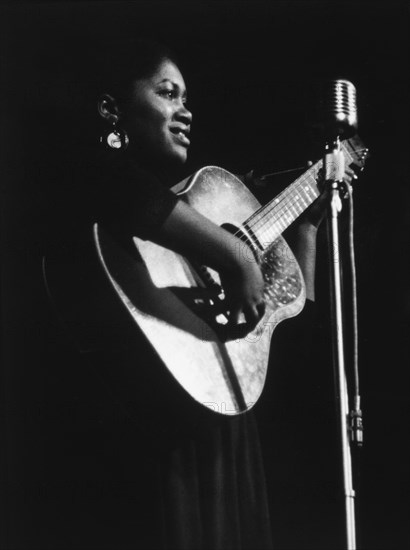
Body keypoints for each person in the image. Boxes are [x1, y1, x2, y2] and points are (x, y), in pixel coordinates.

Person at [43, 40, 355, 550]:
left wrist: (308, 229)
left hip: (220, 440)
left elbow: (295, 341)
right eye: (168, 93)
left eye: (187, 97)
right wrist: (234, 257)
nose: (185, 110)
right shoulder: (85, 177)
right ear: (110, 109)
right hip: (146, 440)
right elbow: (119, 187)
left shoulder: (200, 213)